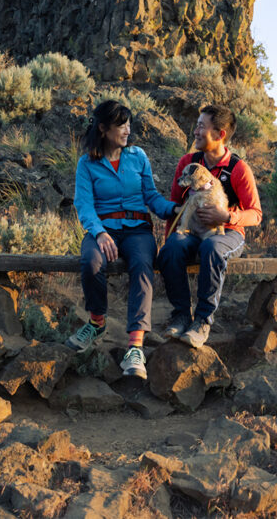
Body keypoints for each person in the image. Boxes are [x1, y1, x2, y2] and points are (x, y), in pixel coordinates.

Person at [66, 100, 178, 380]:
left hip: (138, 229)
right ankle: (96, 322)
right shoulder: (87, 163)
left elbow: (151, 196)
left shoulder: (138, 156)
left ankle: (135, 346)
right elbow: (84, 204)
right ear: (103, 128)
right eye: (121, 125)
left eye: (129, 124)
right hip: (102, 229)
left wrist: (172, 209)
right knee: (91, 261)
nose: (128, 130)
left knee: (142, 264)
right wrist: (100, 232)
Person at [157, 104, 262, 348]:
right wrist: (169, 239)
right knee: (172, 249)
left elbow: (256, 214)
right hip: (192, 230)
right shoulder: (188, 161)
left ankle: (203, 320)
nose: (195, 131)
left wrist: (225, 217)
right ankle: (181, 315)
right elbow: (176, 205)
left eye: (201, 127)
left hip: (227, 234)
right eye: (196, 125)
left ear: (219, 134)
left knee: (212, 248)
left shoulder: (238, 168)